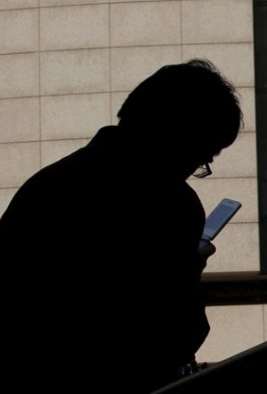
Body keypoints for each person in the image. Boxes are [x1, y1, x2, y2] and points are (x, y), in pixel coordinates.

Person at [0, 59, 243, 393]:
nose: (194, 169)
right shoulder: (171, 203)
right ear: (181, 138)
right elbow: (176, 334)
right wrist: (189, 269)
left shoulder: (46, 186)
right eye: (203, 157)